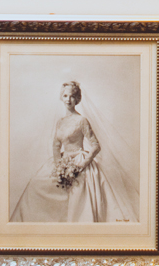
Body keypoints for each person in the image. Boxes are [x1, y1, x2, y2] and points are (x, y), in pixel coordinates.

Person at [11, 81, 137, 223]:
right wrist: (59, 166)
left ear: (77, 99)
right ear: (61, 98)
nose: (68, 100)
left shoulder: (82, 120)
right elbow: (56, 145)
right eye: (65, 96)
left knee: (78, 194)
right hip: (63, 162)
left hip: (79, 161)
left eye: (72, 96)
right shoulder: (60, 122)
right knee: (36, 184)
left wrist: (80, 165)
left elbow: (96, 146)